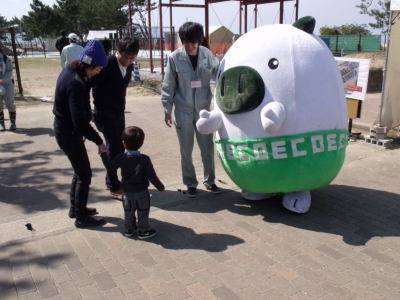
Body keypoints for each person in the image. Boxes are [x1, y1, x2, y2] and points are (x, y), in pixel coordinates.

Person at [161, 22, 220, 198]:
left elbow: (219, 73)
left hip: (204, 111)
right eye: (186, 42)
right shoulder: (174, 58)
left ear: (200, 39)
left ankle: (210, 181)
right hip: (183, 111)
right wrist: (167, 109)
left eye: (194, 42)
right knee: (186, 150)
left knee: (207, 148)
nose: (190, 46)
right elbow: (168, 85)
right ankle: (190, 183)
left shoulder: (207, 55)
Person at [53, 39, 108, 228]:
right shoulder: (74, 82)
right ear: (88, 63)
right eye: (97, 68)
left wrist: (88, 113)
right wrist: (99, 141)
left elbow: (80, 108)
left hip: (68, 129)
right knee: (84, 173)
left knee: (79, 172)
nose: (97, 72)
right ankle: (81, 218)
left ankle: (76, 208)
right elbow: (78, 120)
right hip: (68, 132)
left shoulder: (73, 72)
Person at [90, 37, 139, 200]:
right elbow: (91, 84)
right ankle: (113, 185)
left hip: (119, 112)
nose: (127, 61)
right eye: (124, 56)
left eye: (132, 58)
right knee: (114, 148)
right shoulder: (107, 64)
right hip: (104, 112)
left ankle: (110, 180)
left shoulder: (130, 66)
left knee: (121, 146)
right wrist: (90, 111)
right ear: (117, 51)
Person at [100, 126, 165, 239]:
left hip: (127, 192)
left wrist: (103, 154)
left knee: (128, 211)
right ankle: (143, 231)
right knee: (143, 211)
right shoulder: (144, 159)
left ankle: (129, 229)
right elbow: (152, 176)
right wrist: (160, 187)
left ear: (124, 144)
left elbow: (110, 166)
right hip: (142, 192)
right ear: (142, 143)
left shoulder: (121, 157)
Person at [0, 45, 16, 132]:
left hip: (7, 83)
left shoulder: (5, 58)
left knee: (9, 102)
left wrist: (2, 79)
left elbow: (10, 71)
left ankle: (13, 123)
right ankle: (1, 124)